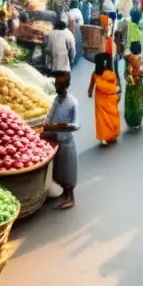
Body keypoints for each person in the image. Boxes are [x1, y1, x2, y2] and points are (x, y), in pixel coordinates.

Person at [44, 73, 80, 210]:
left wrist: (60, 126)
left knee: (68, 170)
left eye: (59, 86)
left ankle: (70, 196)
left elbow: (76, 124)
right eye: (56, 85)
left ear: (66, 86)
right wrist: (47, 126)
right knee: (59, 169)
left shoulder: (73, 102)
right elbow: (49, 116)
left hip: (66, 141)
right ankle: (64, 192)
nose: (57, 88)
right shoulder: (55, 100)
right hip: (55, 139)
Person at [88, 52, 121, 146]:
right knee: (113, 116)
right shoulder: (111, 74)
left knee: (102, 118)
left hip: (100, 99)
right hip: (111, 98)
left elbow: (91, 85)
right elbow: (116, 85)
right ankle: (113, 135)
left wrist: (90, 92)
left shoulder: (95, 74)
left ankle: (104, 138)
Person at [124, 41, 143, 131]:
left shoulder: (128, 58)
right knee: (138, 102)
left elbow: (127, 72)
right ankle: (136, 121)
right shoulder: (138, 59)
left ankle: (131, 121)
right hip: (137, 84)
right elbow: (139, 72)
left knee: (130, 103)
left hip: (129, 84)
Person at [67, 0, 84, 66]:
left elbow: (72, 25)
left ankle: (72, 62)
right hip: (79, 30)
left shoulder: (73, 12)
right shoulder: (78, 11)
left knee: (74, 46)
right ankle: (76, 61)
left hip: (75, 31)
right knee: (78, 45)